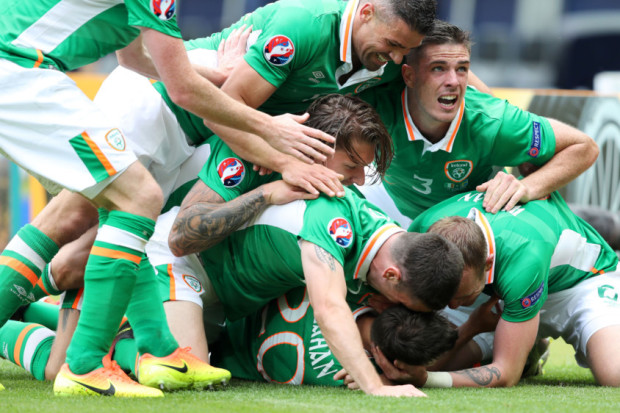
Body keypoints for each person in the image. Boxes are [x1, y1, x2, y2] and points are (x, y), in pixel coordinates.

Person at [0, 0, 339, 398]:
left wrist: (216, 72)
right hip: (20, 73)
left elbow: (132, 56)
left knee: (127, 209)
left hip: (27, 72)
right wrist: (271, 129)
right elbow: (180, 88)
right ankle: (86, 365)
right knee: (126, 202)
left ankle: (158, 350)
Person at [357, 20, 599, 227]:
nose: (453, 81)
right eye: (438, 68)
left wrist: (529, 187)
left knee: (573, 224)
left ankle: (603, 223)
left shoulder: (494, 121)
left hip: (469, 224)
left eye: (462, 69)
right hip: (391, 207)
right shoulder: (372, 105)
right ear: (409, 75)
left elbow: (585, 147)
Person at [374, 189, 620, 388]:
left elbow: (506, 374)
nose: (452, 306)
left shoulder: (524, 258)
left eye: (462, 296)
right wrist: (471, 327)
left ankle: (526, 342)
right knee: (416, 355)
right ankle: (532, 347)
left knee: (614, 374)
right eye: (446, 297)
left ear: (488, 262)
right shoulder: (420, 232)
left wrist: (427, 380)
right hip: (501, 290)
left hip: (579, 285)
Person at [0, 287, 458, 389]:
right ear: (385, 360)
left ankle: (18, 309)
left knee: (105, 335)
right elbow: (433, 373)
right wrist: (407, 379)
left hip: (199, 311)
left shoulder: (339, 285)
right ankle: (6, 331)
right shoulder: (339, 378)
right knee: (69, 366)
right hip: (200, 338)